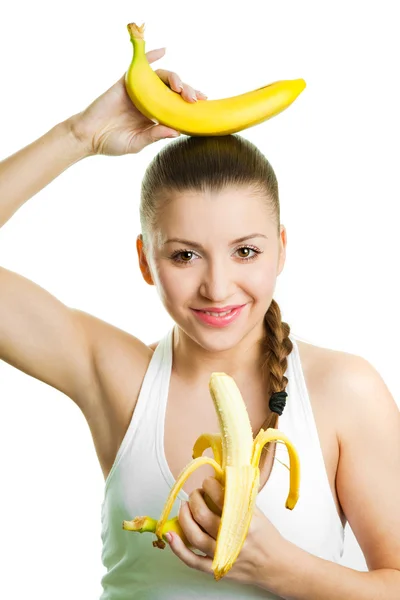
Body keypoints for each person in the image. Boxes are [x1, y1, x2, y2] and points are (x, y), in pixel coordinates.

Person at [1, 46, 399, 600]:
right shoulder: (120, 378)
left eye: (245, 251)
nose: (217, 286)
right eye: (185, 255)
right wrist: (79, 136)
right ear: (145, 260)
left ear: (281, 250)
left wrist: (278, 568)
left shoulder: (346, 391)